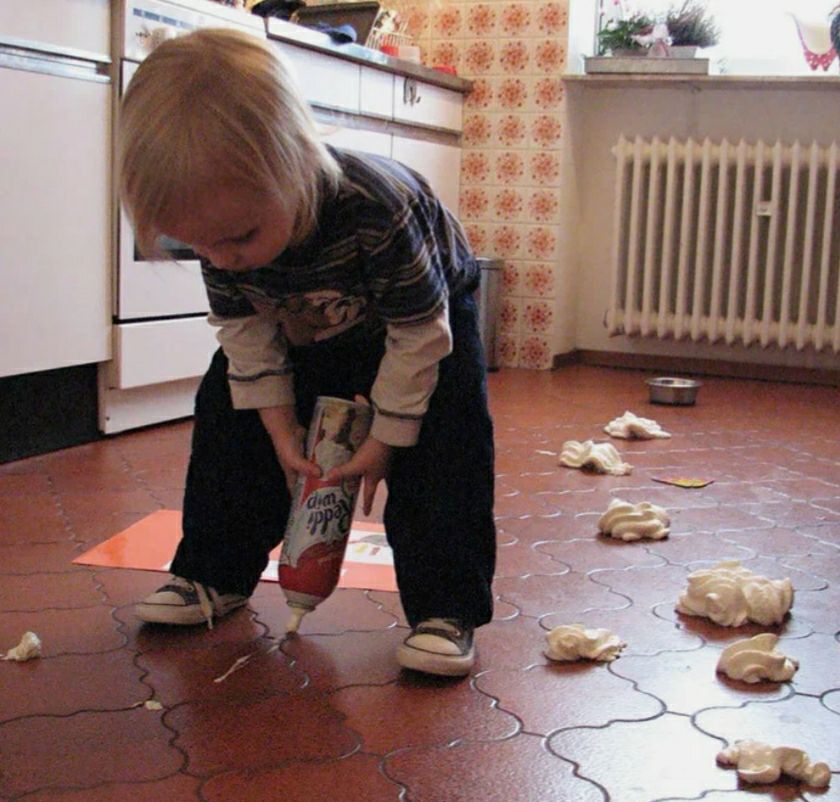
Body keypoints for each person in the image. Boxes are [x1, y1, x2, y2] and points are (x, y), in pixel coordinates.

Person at [120, 28, 496, 677]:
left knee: (445, 447)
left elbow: (418, 336)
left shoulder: (380, 207)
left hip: (420, 326)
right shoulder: (223, 234)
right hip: (299, 324)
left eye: (238, 238)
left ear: (297, 165)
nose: (220, 259)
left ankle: (446, 606)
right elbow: (244, 336)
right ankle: (213, 571)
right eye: (198, 246)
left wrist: (388, 436)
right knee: (227, 416)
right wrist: (277, 426)